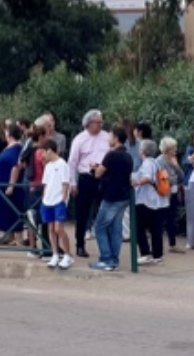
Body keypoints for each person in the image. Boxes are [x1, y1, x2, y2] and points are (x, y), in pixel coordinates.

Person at [68, 109, 111, 258]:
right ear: (89, 123)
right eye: (97, 122)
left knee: (105, 212)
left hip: (104, 177)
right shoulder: (80, 139)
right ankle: (80, 244)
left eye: (101, 122)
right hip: (86, 178)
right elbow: (72, 162)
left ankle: (105, 247)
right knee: (82, 213)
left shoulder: (107, 137)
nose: (100, 125)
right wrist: (72, 183)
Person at [90, 126, 132, 271]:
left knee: (99, 227)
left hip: (111, 196)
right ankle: (114, 259)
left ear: (115, 138)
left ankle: (107, 259)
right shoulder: (128, 156)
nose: (108, 138)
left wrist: (93, 167)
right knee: (116, 228)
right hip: (124, 195)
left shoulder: (111, 155)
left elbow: (98, 173)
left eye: (110, 136)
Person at [39, 139, 73, 270]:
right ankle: (55, 254)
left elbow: (65, 183)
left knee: (59, 229)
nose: (42, 155)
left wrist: (63, 199)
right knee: (51, 229)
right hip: (48, 201)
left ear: (49, 151)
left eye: (43, 152)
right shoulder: (48, 166)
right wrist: (44, 198)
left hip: (58, 201)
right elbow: (45, 184)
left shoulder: (62, 164)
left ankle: (67, 255)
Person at [132, 139, 164, 264]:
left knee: (139, 227)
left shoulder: (147, 163)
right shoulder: (156, 163)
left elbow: (147, 177)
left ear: (143, 151)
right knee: (155, 228)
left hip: (144, 200)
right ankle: (157, 254)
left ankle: (145, 253)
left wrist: (137, 182)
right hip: (156, 199)